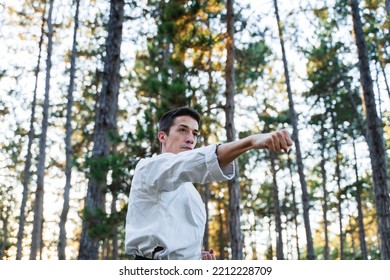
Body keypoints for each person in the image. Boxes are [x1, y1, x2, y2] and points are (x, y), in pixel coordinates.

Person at [125, 107, 293, 260]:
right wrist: (250, 142)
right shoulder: (148, 168)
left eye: (195, 133)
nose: (191, 139)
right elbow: (193, 163)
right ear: (163, 136)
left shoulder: (189, 190)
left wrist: (195, 257)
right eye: (183, 130)